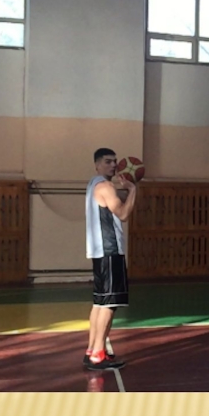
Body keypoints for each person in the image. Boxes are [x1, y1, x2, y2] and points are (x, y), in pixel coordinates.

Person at [83, 148, 137, 370]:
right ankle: (98, 354)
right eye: (108, 162)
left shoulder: (93, 184)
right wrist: (133, 190)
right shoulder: (105, 186)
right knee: (110, 305)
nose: (113, 165)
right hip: (110, 251)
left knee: (100, 303)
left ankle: (92, 350)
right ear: (97, 164)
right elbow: (123, 214)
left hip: (99, 252)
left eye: (115, 161)